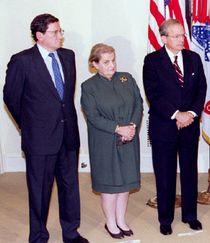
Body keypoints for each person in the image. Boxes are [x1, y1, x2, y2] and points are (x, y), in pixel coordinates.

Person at [3, 13, 88, 243]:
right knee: (40, 191)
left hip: (68, 135)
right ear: (39, 36)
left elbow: (65, 98)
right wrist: (29, 125)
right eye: (55, 32)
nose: (60, 36)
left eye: (61, 31)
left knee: (70, 188)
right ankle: (39, 236)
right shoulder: (22, 61)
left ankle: (71, 233)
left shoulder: (68, 56)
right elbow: (11, 97)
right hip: (39, 138)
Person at [142, 19, 207, 235]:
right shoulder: (152, 61)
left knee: (189, 172)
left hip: (190, 125)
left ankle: (190, 216)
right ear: (164, 38)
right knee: (165, 174)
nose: (182, 39)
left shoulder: (193, 58)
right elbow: (153, 94)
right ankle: (165, 219)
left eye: (183, 35)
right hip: (164, 126)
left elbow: (201, 89)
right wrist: (176, 114)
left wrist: (191, 114)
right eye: (176, 36)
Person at [81, 43, 143, 239]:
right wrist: (118, 128)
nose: (112, 65)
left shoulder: (127, 79)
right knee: (110, 184)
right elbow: (93, 116)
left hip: (129, 138)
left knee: (125, 182)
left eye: (113, 60)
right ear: (95, 64)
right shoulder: (88, 87)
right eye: (106, 62)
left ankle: (121, 219)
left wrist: (132, 126)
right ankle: (110, 222)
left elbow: (138, 104)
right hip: (105, 141)